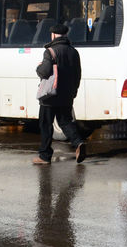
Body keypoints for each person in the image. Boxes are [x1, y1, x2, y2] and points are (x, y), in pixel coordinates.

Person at [33, 23, 87, 165]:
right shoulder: (74, 52)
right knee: (65, 121)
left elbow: (44, 71)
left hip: (50, 96)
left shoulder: (50, 51)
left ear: (53, 35)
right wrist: (73, 92)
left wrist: (38, 67)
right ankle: (78, 142)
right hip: (67, 94)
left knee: (46, 124)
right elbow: (78, 74)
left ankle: (44, 156)